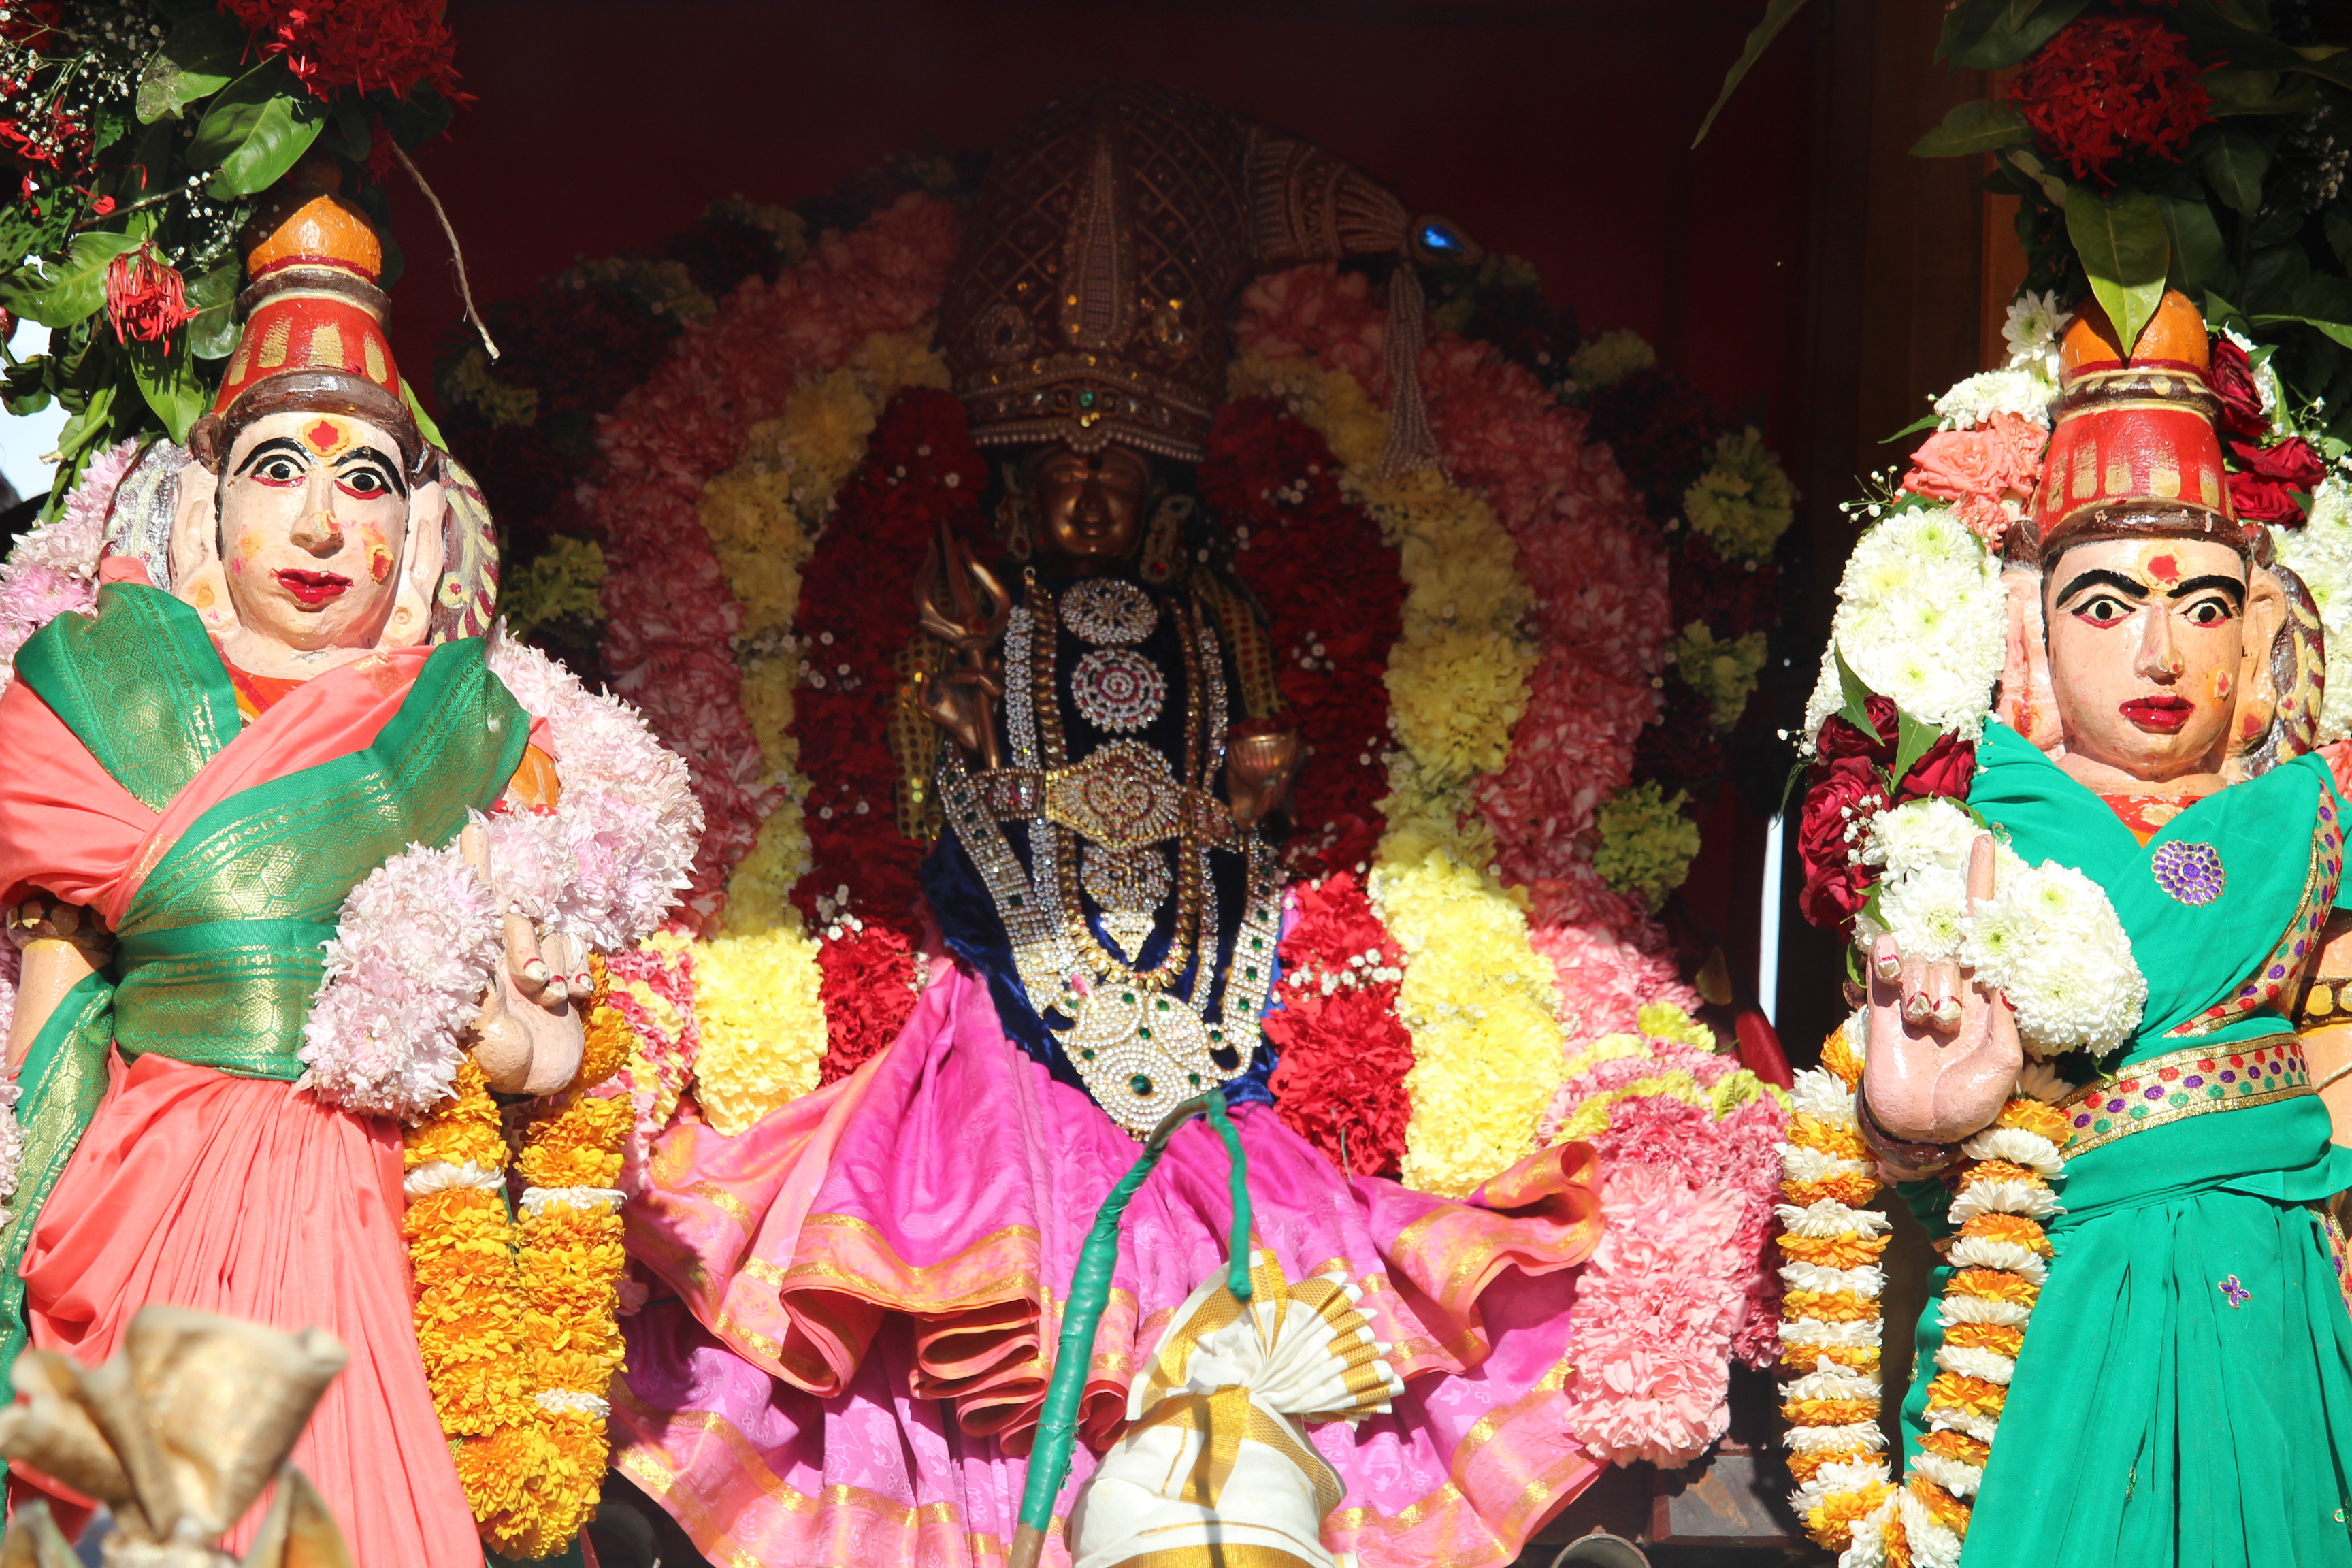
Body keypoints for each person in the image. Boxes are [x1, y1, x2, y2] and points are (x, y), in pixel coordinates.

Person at [611, 83, 1605, 1568]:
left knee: (1265, 1275)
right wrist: (944, 740)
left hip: (1205, 1028)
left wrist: (1255, 798)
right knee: (971, 1284)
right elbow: (911, 825)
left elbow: (1240, 847)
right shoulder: (974, 612)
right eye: (1059, 472)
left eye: (1118, 475)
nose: (1086, 493)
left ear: (1162, 496)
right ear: (1014, 483)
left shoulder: (1217, 624)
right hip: (998, 1018)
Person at [0, 165, 583, 1564]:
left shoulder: (481, 732)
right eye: (280, 472)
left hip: (385, 1202)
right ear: (206, 513)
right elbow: (54, 1004)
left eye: (365, 482)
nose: (323, 526)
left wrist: (501, 1030)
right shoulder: (101, 694)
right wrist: (29, 1206)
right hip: (140, 1202)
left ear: (419, 531)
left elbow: (550, 1047)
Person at [1859, 291, 2352, 1565]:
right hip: (2045, 1295)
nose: (2159, 655)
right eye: (2102, 606)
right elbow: (1895, 1153)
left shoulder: (2314, 821)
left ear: (2258, 630)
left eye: (2201, 607)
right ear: (2026, 630)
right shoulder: (1969, 833)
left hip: (2275, 1283)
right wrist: (1904, 1116)